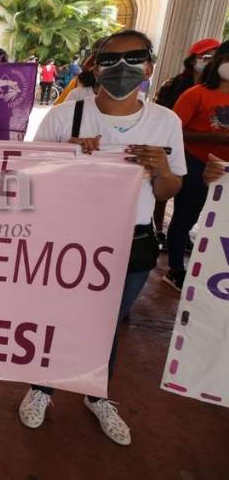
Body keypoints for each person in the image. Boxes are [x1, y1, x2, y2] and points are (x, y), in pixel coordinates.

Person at [19, 29, 185, 446]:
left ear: (149, 65)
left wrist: (161, 170)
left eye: (134, 58)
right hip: (73, 238)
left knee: (108, 322)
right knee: (62, 317)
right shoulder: (65, 117)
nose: (122, 68)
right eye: (111, 59)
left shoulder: (166, 122)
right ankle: (43, 387)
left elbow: (170, 190)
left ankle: (96, 393)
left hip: (134, 240)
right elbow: (31, 177)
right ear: (95, 65)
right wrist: (68, 158)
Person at [163, 40, 229, 292]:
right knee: (185, 218)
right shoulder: (195, 94)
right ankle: (176, 269)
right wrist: (214, 138)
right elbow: (175, 131)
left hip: (226, 172)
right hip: (196, 163)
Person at [151, 38, 220, 247]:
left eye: (214, 57)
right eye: (206, 56)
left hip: (209, 161)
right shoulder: (179, 87)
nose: (210, 61)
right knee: (164, 191)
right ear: (193, 60)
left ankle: (178, 237)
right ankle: (159, 229)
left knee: (193, 204)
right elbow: (164, 118)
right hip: (178, 149)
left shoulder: (215, 90)